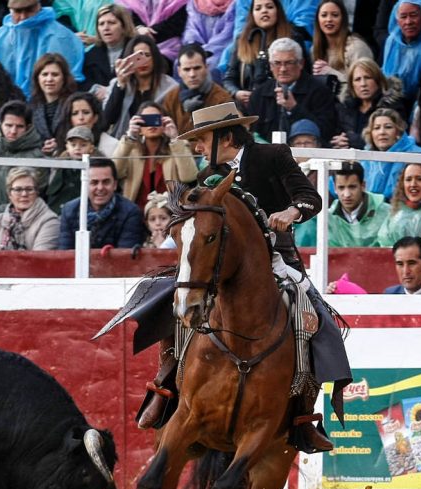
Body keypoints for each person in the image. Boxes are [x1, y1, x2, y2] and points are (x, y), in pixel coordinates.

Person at [134, 101, 351, 452]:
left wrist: (291, 211)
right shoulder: (207, 177)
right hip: (220, 265)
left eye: (202, 140)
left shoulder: (273, 156)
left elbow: (311, 198)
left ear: (225, 136)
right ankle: (166, 386)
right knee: (169, 301)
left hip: (277, 259)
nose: (199, 148)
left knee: (316, 318)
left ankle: (303, 415)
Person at [0, 0, 84, 96]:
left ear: (39, 6)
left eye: (29, 10)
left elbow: (69, 79)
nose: (23, 17)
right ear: (10, 11)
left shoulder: (60, 36)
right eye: (18, 11)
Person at [246, 37, 337, 141]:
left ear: (301, 64)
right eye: (277, 63)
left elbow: (327, 131)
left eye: (289, 63)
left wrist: (294, 109)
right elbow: (253, 134)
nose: (283, 69)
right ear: (270, 66)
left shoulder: (320, 92)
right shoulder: (258, 95)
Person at [112, 101, 198, 210]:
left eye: (155, 119)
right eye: (146, 120)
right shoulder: (130, 149)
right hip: (136, 213)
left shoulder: (177, 147)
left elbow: (189, 176)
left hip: (171, 213)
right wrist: (130, 137)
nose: (151, 125)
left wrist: (175, 139)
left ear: (164, 122)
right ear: (139, 125)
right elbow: (115, 173)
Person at [222, 0, 300, 108]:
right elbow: (229, 78)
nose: (264, 11)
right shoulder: (242, 40)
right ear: (252, 14)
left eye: (269, 7)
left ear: (278, 10)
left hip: (282, 104)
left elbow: (304, 75)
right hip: (249, 107)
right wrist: (237, 93)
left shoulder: (293, 38)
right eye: (258, 8)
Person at [57, 157, 146, 249]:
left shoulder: (130, 212)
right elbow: (64, 254)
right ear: (84, 185)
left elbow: (125, 257)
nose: (100, 188)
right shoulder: (69, 210)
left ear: (115, 185)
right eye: (94, 182)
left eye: (106, 182)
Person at [104, 34, 180, 138]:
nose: (143, 61)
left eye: (147, 55)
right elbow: (107, 119)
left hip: (159, 143)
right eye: (138, 57)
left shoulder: (171, 87)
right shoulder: (117, 84)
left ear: (155, 58)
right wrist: (120, 85)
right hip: (123, 143)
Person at [0, 167, 59, 250]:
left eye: (29, 189)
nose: (24, 194)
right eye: (18, 190)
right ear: (9, 194)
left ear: (37, 192)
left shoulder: (49, 220)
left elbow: (39, 259)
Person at [333, 58, 404, 150]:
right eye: (357, 79)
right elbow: (335, 135)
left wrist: (351, 141)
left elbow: (392, 139)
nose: (363, 84)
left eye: (368, 78)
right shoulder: (344, 107)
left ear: (378, 80)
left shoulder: (392, 106)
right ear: (351, 85)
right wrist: (338, 142)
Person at [162, 42, 233, 134]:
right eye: (187, 69)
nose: (192, 75)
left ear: (206, 68)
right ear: (179, 71)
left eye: (197, 68)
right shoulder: (171, 98)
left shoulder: (221, 99)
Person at [361, 108, 421, 200]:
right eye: (376, 128)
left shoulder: (419, 155)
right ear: (370, 133)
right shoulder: (364, 159)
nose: (382, 132)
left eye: (388, 127)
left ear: (398, 131)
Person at [310, 0, 373, 87]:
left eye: (335, 15)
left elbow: (364, 85)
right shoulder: (314, 50)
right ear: (318, 20)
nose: (329, 19)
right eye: (324, 15)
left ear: (343, 19)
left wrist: (332, 74)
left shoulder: (357, 47)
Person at [328, 160, 389, 247]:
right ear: (334, 188)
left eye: (352, 187)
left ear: (363, 185)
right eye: (341, 188)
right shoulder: (327, 219)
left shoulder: (386, 213)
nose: (347, 194)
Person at [29, 53, 79, 154]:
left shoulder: (75, 104)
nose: (49, 79)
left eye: (55, 74)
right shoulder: (31, 106)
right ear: (37, 78)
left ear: (64, 78)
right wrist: (41, 146)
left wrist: (60, 145)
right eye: (44, 74)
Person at [82, 4, 135, 99]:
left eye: (111, 23)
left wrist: (110, 90)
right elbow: (84, 81)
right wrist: (95, 89)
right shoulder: (91, 55)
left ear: (124, 26)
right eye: (101, 24)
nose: (106, 28)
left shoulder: (135, 50)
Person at [46, 125, 95, 213]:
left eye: (83, 145)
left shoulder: (95, 167)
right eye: (73, 145)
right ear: (67, 147)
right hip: (56, 211)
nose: (77, 148)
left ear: (91, 148)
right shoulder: (58, 165)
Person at [182, 0, 236, 77]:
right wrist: (193, 47)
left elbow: (227, 35)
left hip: (222, 50)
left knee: (210, 66)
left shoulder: (235, 3)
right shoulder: (195, 3)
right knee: (181, 62)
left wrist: (206, 51)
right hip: (198, 48)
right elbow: (191, 29)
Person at [54, 92, 118, 156]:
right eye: (75, 113)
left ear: (95, 117)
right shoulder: (60, 145)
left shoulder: (112, 145)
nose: (81, 117)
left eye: (86, 112)